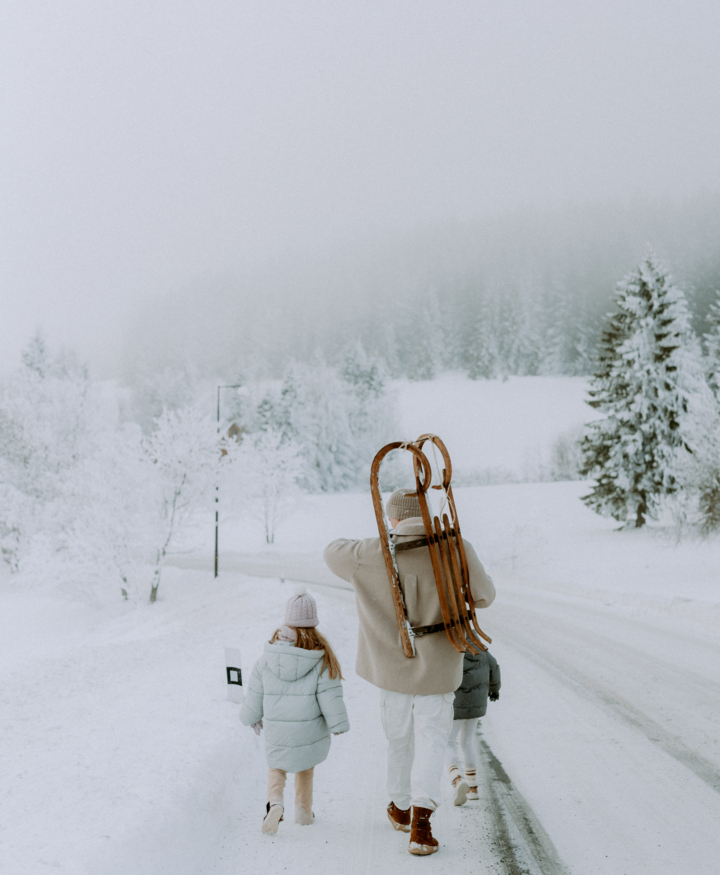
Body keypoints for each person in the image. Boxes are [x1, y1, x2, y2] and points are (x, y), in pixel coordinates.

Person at [323, 487, 495, 856]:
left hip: (392, 670)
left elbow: (331, 551)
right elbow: (485, 596)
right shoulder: (455, 546)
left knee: (399, 738)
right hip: (439, 669)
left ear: (394, 518)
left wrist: (381, 537)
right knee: (433, 739)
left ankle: (400, 808)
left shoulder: (373, 552)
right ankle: (422, 825)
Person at [240, 587, 350, 836]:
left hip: (278, 732)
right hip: (307, 731)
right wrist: (338, 723)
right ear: (312, 624)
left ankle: (275, 803)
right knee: (305, 768)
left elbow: (255, 695)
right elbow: (330, 696)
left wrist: (250, 717)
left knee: (276, 768)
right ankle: (303, 813)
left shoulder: (265, 659)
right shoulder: (320, 658)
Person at [445, 648, 501, 806]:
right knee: (467, 741)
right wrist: (494, 690)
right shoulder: (482, 650)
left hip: (456, 703)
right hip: (477, 702)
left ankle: (456, 778)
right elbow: (495, 667)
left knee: (448, 742)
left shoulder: (454, 649)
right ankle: (473, 788)